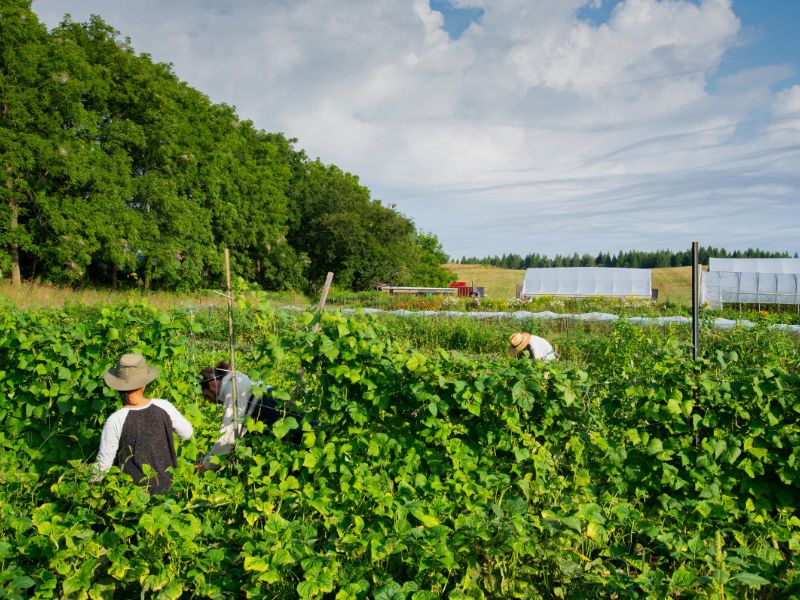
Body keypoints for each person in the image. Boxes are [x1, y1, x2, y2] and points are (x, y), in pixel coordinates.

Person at [94, 353, 194, 495]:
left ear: (117, 388)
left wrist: (88, 484)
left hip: (132, 494)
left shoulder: (115, 420)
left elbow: (103, 465)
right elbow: (187, 433)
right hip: (168, 487)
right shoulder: (164, 406)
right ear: (144, 384)